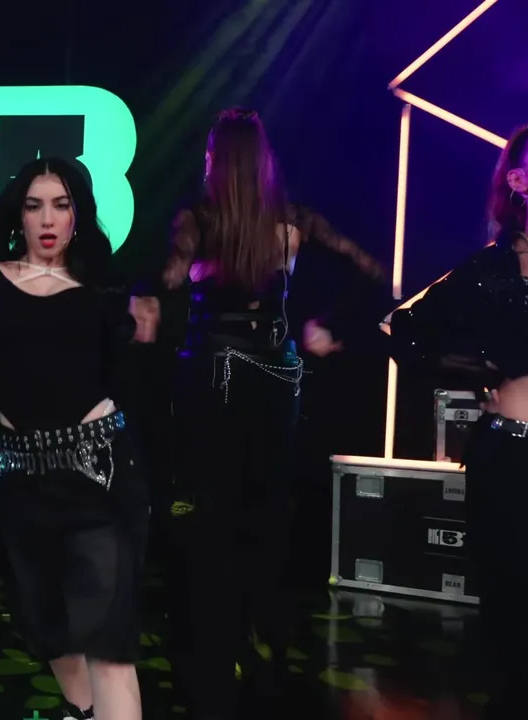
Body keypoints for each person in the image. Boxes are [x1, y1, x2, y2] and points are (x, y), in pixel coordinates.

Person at [158, 108, 388, 719]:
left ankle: (215, 641)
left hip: (216, 369)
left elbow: (168, 278)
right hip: (277, 371)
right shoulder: (292, 220)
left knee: (211, 506)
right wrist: (325, 325)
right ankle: (263, 638)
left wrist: (183, 276)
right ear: (264, 163)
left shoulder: (199, 219)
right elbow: (370, 269)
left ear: (214, 161)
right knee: (266, 504)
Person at [387, 118, 528, 720]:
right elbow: (403, 331)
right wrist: (484, 364)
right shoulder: (487, 270)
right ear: (519, 179)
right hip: (523, 456)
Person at [0, 157, 159, 720]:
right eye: (34, 205)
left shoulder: (103, 287)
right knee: (49, 631)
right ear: (18, 213)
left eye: (61, 205)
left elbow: (128, 385)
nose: (47, 219)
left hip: (99, 478)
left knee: (108, 643)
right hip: (20, 483)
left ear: (77, 214)